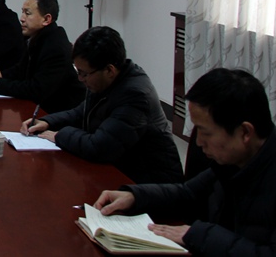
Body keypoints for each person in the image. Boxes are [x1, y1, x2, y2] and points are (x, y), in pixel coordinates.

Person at [94, 68, 276, 255]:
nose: (198, 142)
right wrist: (135, 197)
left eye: (205, 132)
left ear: (245, 132)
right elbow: (188, 193)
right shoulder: (233, 160)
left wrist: (199, 235)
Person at [21, 26, 183, 184]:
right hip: (122, 169)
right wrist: (47, 122)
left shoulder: (135, 95)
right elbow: (81, 112)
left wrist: (59, 135)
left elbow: (99, 148)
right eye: (78, 71)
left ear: (109, 70)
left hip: (149, 185)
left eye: (84, 73)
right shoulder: (105, 80)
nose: (80, 79)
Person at [0, 0, 84, 113]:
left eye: (28, 13)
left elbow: (36, 90)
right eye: (22, 12)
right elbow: (21, 69)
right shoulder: (36, 38)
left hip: (58, 115)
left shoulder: (56, 47)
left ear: (46, 19)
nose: (22, 19)